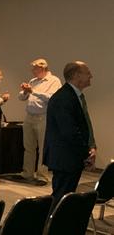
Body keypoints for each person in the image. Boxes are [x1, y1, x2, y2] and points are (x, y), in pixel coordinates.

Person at [43, 61, 97, 208]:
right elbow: (69, 132)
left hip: (70, 156)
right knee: (61, 198)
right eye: (87, 72)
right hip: (64, 158)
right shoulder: (63, 98)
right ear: (76, 75)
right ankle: (52, 226)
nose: (91, 75)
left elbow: (83, 125)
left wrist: (91, 147)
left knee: (66, 197)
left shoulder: (75, 96)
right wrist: (87, 152)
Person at [17, 59, 61, 185]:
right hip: (29, 116)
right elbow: (21, 97)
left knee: (43, 148)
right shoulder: (33, 81)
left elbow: (52, 98)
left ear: (42, 68)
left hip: (44, 117)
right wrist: (25, 91)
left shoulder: (54, 81)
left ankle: (42, 175)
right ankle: (27, 173)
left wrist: (33, 91)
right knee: (28, 147)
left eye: (34, 69)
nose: (32, 71)